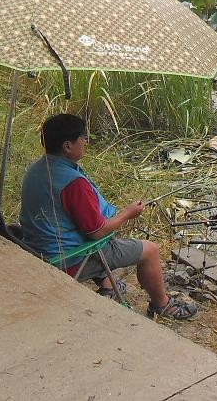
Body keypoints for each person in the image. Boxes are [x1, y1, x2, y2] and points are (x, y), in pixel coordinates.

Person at [20, 113, 196, 320]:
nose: (86, 142)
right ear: (67, 146)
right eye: (82, 138)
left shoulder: (36, 169)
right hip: (67, 259)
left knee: (106, 227)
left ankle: (108, 286)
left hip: (36, 248)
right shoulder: (73, 183)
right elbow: (96, 232)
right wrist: (128, 214)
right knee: (150, 250)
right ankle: (162, 305)